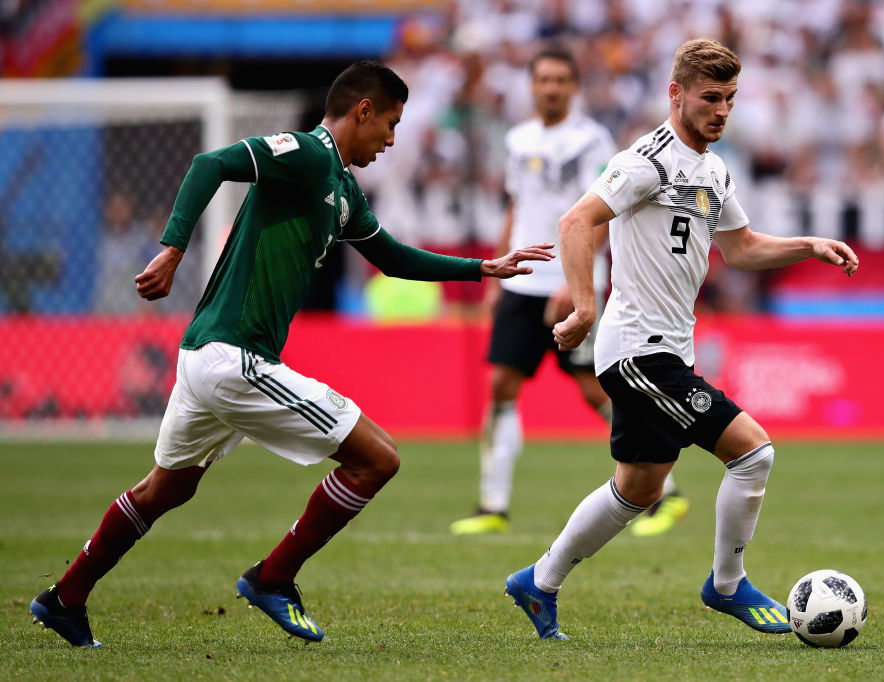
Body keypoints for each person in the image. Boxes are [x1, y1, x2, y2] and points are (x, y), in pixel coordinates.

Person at [29, 60, 554, 648]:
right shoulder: (306, 152)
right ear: (363, 110)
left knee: (166, 489)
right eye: (390, 123)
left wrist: (482, 266)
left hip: (202, 359)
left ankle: (65, 597)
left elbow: (396, 259)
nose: (390, 140)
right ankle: (273, 577)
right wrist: (174, 248)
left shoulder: (344, 189)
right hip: (236, 359)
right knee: (377, 459)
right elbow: (211, 163)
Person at [504, 38, 859, 640]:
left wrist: (806, 244)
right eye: (710, 98)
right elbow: (575, 221)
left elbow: (741, 248)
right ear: (677, 94)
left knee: (637, 487)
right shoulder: (645, 160)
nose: (722, 110)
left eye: (730, 99)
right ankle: (727, 585)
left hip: (668, 348)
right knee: (753, 452)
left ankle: (538, 582)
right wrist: (585, 305)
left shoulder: (714, 169)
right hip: (639, 350)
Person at [450, 45, 689, 537]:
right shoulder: (518, 140)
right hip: (522, 281)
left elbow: (600, 214)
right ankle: (492, 505)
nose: (552, 88)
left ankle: (667, 492)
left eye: (561, 80)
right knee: (501, 386)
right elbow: (517, 208)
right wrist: (497, 271)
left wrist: (574, 283)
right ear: (532, 85)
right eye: (544, 80)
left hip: (569, 284)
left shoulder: (591, 141)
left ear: (574, 87)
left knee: (596, 389)